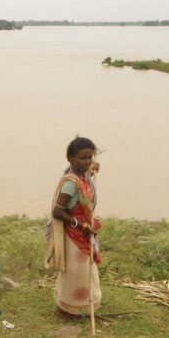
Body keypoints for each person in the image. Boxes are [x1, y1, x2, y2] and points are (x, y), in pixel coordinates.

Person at [45, 136, 102, 318]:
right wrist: (81, 224)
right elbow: (58, 211)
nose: (87, 162)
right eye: (82, 158)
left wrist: (91, 171)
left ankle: (82, 306)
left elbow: (84, 188)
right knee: (75, 274)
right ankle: (68, 310)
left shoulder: (83, 175)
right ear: (71, 158)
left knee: (86, 271)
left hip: (85, 232)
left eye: (90, 158)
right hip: (74, 235)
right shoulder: (71, 183)